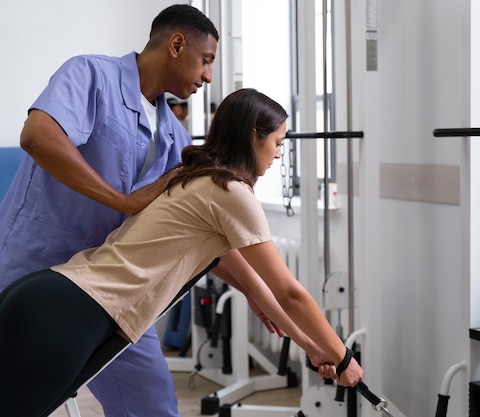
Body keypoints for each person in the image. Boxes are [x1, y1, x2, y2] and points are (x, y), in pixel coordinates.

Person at [0, 88, 364, 416]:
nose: (280, 154)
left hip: (55, 298)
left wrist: (310, 346)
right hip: (75, 310)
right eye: (278, 142)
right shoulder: (232, 193)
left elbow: (253, 282)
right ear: (254, 136)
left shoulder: (195, 177)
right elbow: (290, 292)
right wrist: (341, 355)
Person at [0, 4, 220, 416]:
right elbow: (37, 135)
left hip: (108, 291)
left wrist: (260, 295)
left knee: (152, 404)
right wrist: (122, 201)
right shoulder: (91, 75)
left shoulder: (175, 137)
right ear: (176, 44)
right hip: (31, 271)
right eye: (206, 61)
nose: (208, 75)